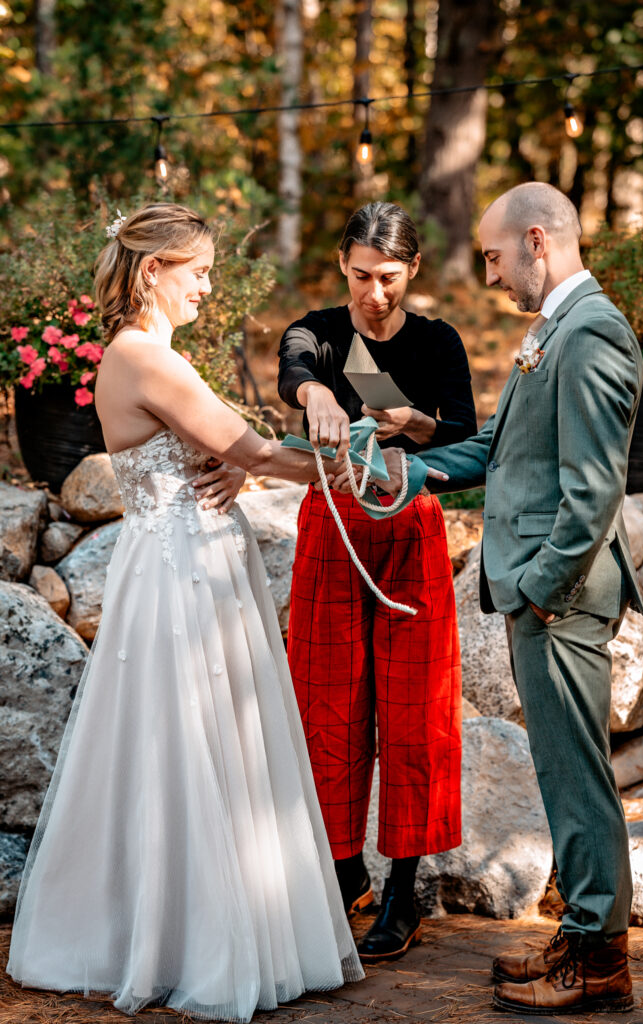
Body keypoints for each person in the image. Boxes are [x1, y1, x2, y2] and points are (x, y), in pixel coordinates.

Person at [7, 202, 375, 1021]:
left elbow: (223, 453)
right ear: (152, 271)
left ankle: (190, 926)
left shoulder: (144, 356)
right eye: (199, 270)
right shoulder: (145, 358)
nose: (210, 285)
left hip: (185, 562)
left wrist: (248, 468)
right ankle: (191, 942)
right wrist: (353, 466)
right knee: (188, 742)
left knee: (194, 742)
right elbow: (249, 447)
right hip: (182, 576)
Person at [381, 182, 643, 1014]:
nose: (490, 276)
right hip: (545, 594)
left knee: (578, 777)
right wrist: (418, 464)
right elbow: (504, 445)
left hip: (559, 596)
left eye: (494, 257)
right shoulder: (553, 329)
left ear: (538, 240)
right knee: (562, 773)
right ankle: (581, 938)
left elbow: (594, 491)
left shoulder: (592, 331)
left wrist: (536, 589)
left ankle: (602, 965)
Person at [278, 201, 477, 962]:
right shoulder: (322, 331)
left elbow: (463, 432)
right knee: (326, 699)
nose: (374, 293)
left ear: (413, 271)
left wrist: (415, 426)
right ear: (342, 264)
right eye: (362, 275)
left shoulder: (437, 342)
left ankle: (402, 891)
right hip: (331, 527)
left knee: (413, 712)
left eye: (389, 278)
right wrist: (320, 395)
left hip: (412, 528)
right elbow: (296, 366)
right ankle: (339, 868)